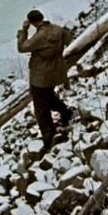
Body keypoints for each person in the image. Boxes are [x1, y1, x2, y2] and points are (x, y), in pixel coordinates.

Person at [17, 9, 73, 152]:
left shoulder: (39, 37)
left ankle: (49, 138)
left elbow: (22, 47)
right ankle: (65, 112)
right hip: (55, 73)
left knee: (41, 108)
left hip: (40, 77)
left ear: (32, 22)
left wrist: (24, 30)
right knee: (47, 96)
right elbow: (69, 38)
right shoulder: (57, 29)